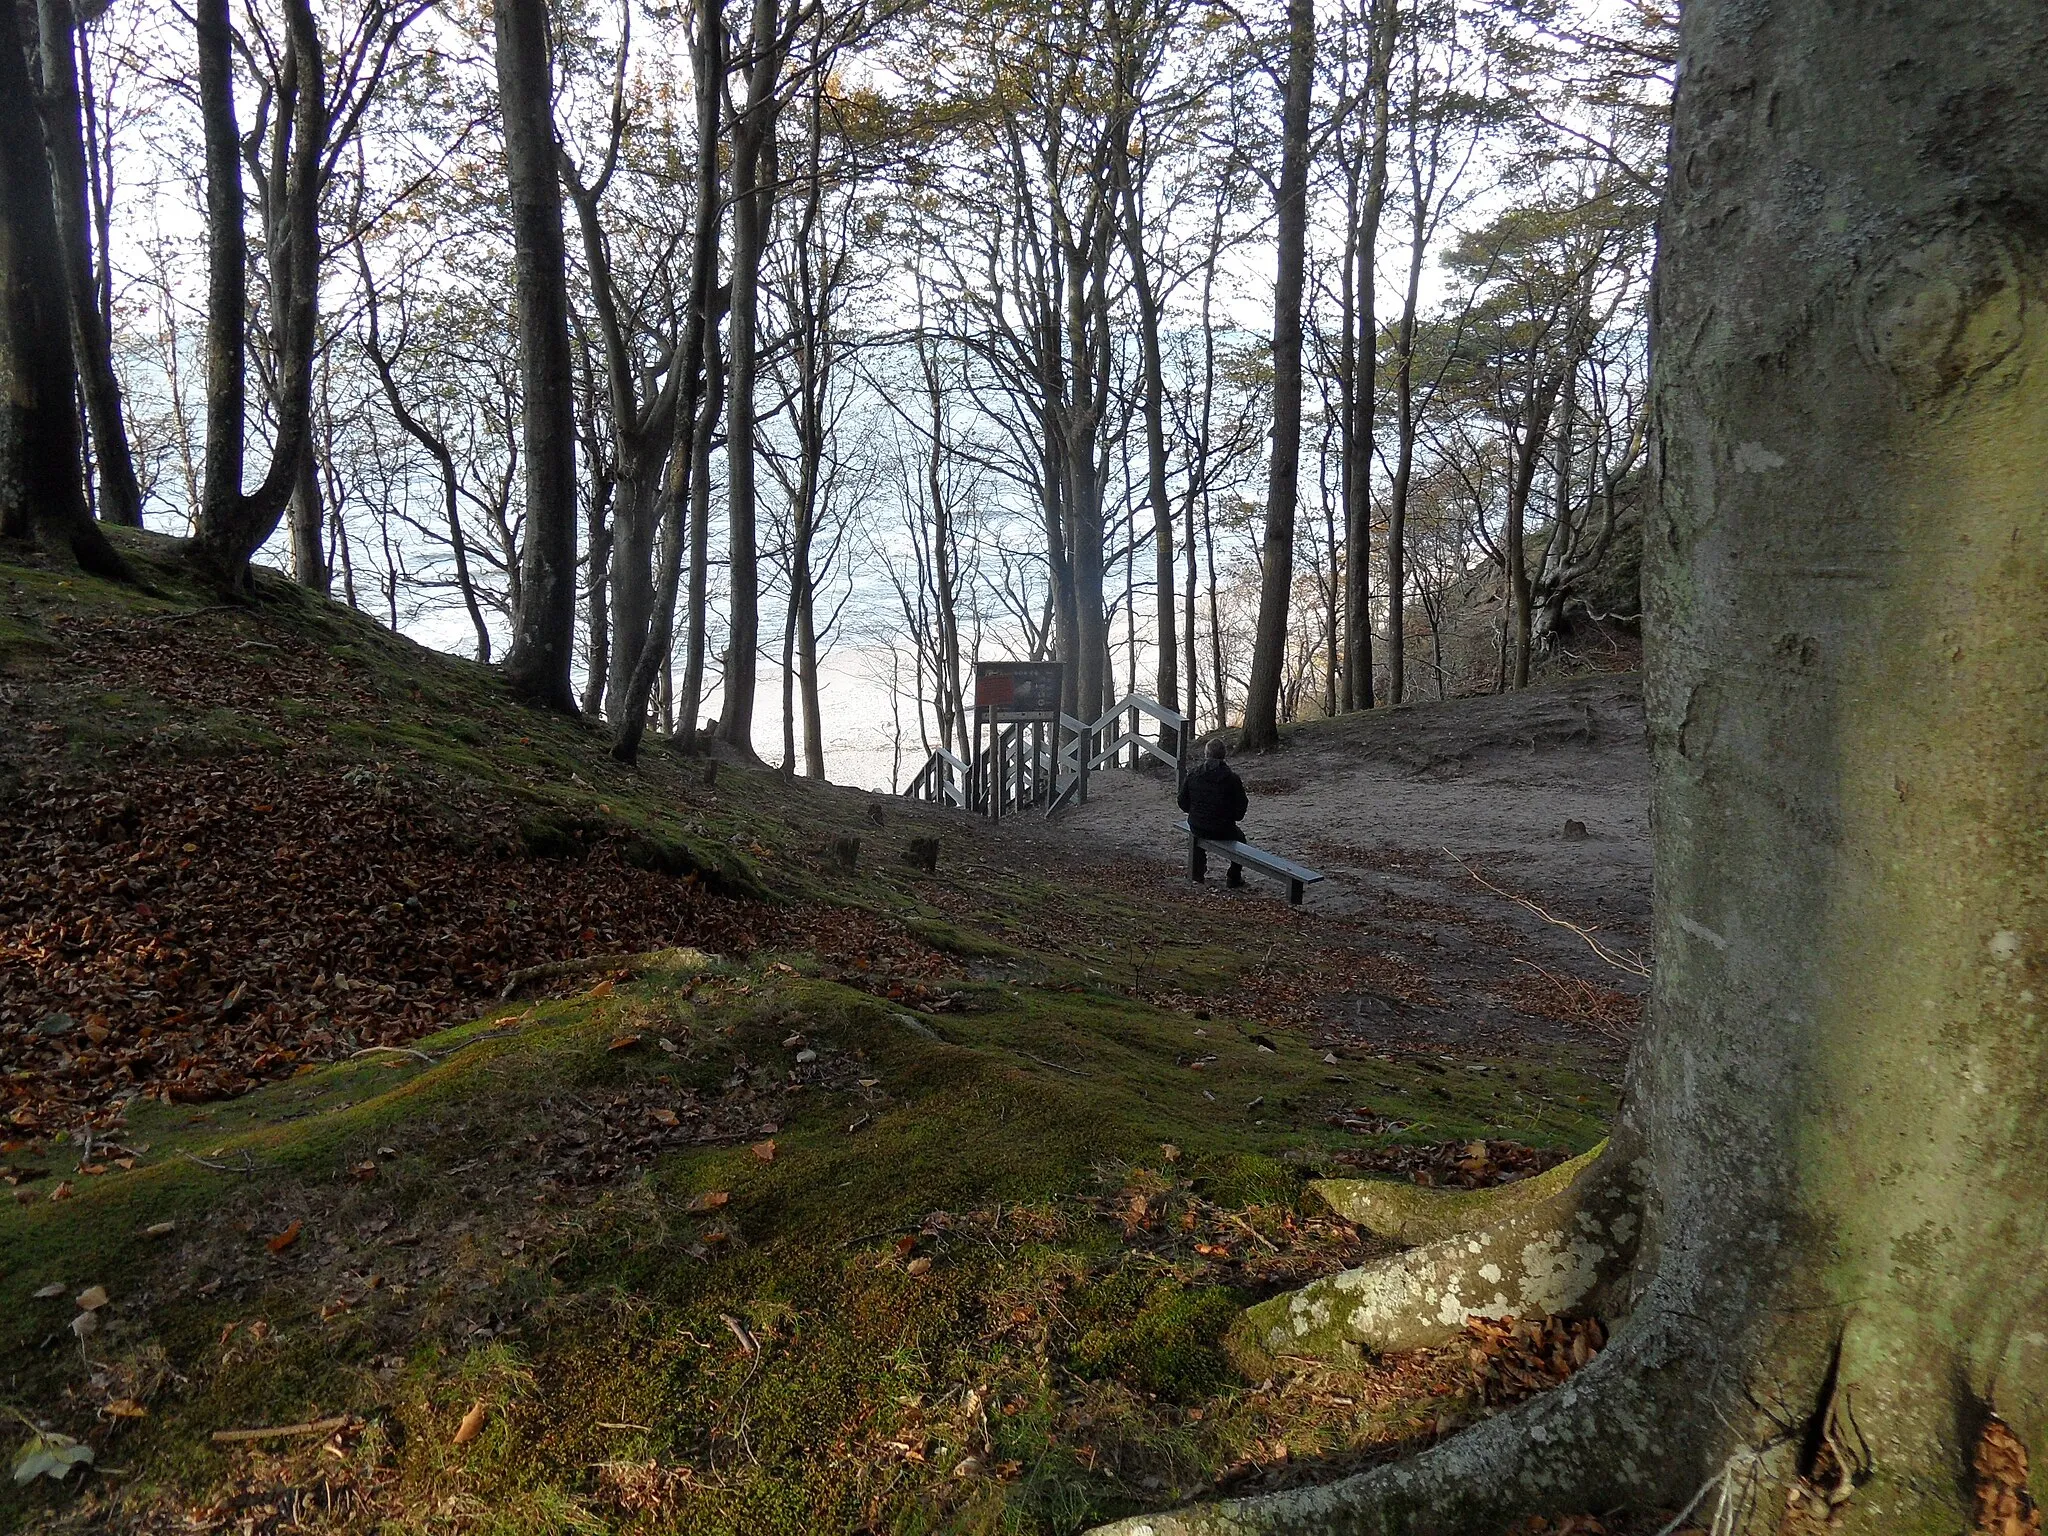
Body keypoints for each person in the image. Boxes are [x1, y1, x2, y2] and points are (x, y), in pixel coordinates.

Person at [1179, 737, 1248, 888]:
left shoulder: (1193, 774)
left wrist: (1196, 811)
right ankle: (1233, 876)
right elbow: (1241, 809)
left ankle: (1198, 873)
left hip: (1197, 824)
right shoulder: (1232, 779)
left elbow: (1182, 802)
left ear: (1206, 754)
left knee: (1197, 834)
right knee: (1241, 839)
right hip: (1223, 829)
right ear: (1224, 755)